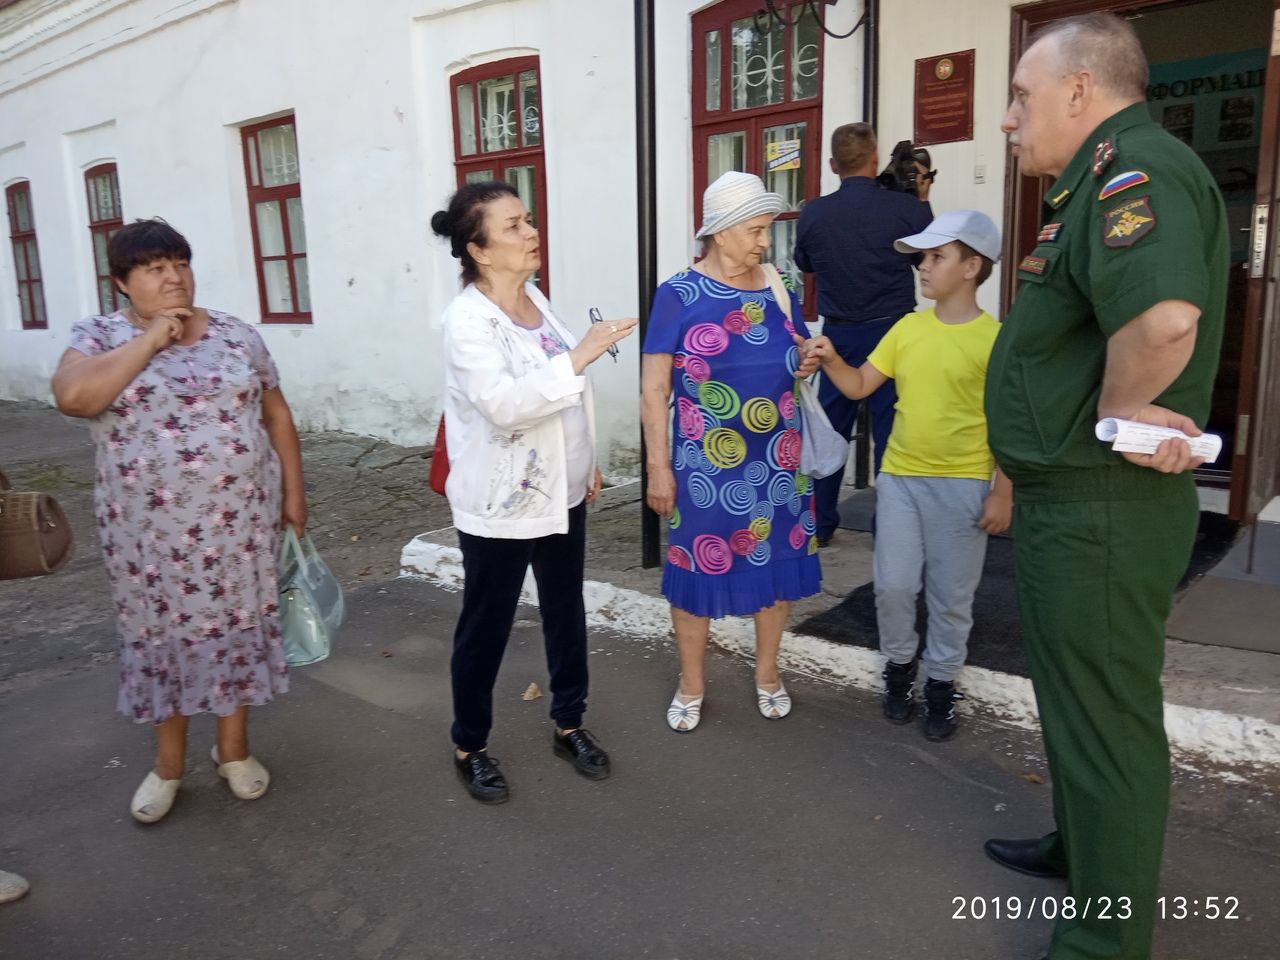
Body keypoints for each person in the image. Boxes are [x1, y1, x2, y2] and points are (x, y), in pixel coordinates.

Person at [982, 15, 1227, 960]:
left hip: (1104, 505)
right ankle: (1086, 850)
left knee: (1109, 721)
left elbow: (1165, 319)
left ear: (1080, 90)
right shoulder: (1090, 182)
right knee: (1076, 702)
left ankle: (1105, 939)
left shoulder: (1137, 171)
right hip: (1071, 502)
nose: (1009, 119)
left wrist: (1124, 412)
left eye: (1020, 95)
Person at [51, 219, 305, 823]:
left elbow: (277, 414)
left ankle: (234, 751)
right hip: (149, 538)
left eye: (179, 264)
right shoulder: (99, 337)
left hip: (240, 526)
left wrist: (294, 495)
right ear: (121, 282)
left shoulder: (237, 335)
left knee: (237, 628)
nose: (172, 277)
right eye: (153, 269)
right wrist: (150, 340)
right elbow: (74, 398)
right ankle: (167, 766)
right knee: (164, 639)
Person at [431, 181, 637, 804]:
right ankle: (471, 744)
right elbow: (506, 405)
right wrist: (583, 355)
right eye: (515, 226)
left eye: (529, 220)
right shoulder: (467, 322)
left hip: (562, 491)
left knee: (565, 612)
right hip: (501, 504)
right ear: (480, 249)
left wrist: (587, 460)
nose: (530, 232)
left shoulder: (536, 300)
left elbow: (569, 401)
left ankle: (569, 722)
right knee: (487, 626)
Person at [802, 210, 1012, 742]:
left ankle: (940, 683)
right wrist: (829, 359)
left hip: (964, 485)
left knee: (949, 596)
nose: (922, 266)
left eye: (936, 257)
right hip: (899, 479)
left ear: (971, 267)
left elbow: (1012, 425)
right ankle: (900, 670)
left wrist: (1003, 491)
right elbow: (858, 386)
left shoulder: (996, 341)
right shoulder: (908, 327)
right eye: (922, 256)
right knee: (894, 586)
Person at [641, 171, 822, 733]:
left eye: (766, 230)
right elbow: (654, 387)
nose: (764, 242)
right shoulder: (678, 294)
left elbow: (792, 351)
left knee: (778, 569)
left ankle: (768, 673)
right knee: (696, 571)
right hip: (705, 469)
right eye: (754, 230)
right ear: (719, 232)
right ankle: (691, 682)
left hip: (778, 461)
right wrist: (658, 467)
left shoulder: (776, 284)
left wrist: (807, 359)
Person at [793, 123, 933, 547]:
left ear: (833, 165)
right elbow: (926, 259)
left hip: (837, 338)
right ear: (875, 160)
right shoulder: (903, 208)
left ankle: (820, 524)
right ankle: (889, 526)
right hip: (893, 333)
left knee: (829, 433)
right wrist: (921, 198)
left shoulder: (814, 212)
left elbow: (806, 264)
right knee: (893, 433)